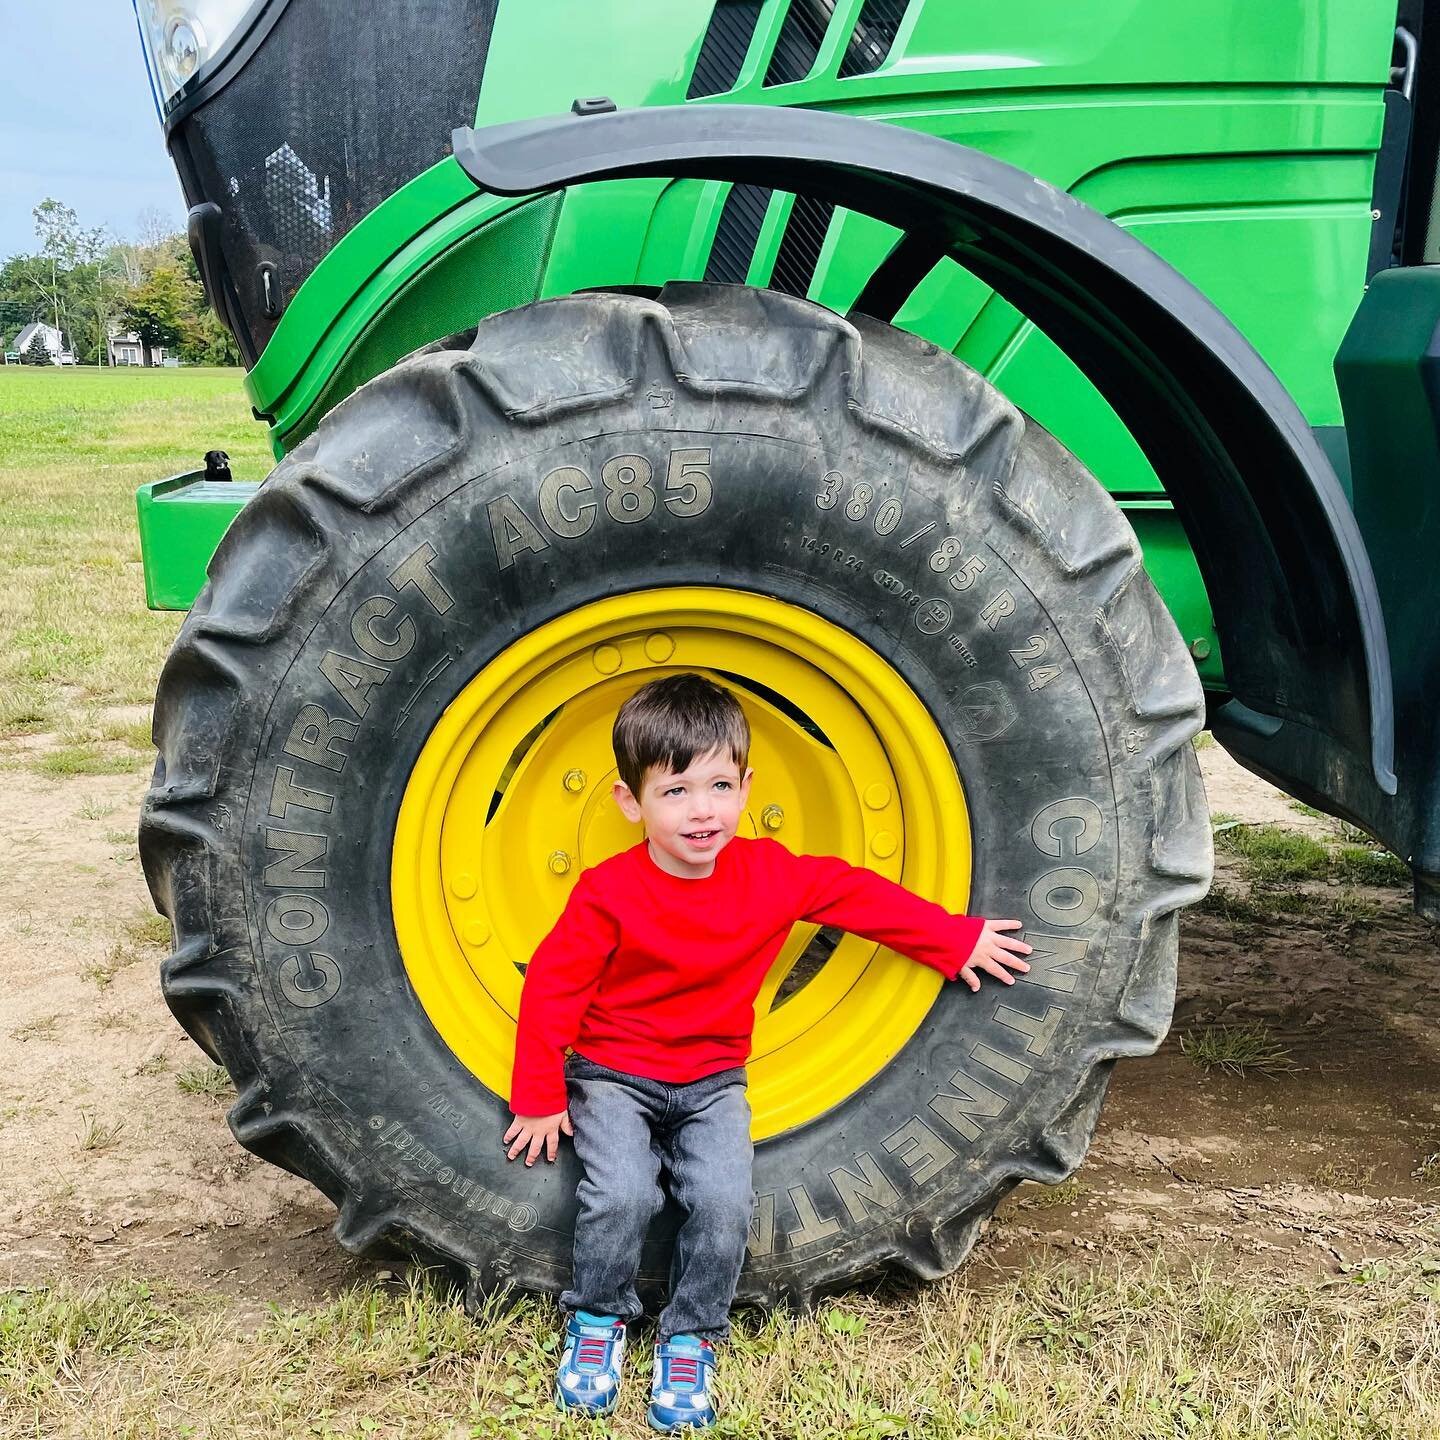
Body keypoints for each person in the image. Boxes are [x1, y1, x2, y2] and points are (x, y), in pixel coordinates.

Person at [504, 673, 1032, 1430]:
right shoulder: (606, 892)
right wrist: (539, 1096)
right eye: (676, 791)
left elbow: (858, 896)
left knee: (723, 1205)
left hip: (713, 1081)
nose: (702, 810)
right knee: (621, 1194)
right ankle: (597, 1322)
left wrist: (954, 939)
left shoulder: (770, 875)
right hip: (615, 1074)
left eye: (719, 785)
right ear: (632, 803)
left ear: (747, 786)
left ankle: (690, 1338)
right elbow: (552, 988)